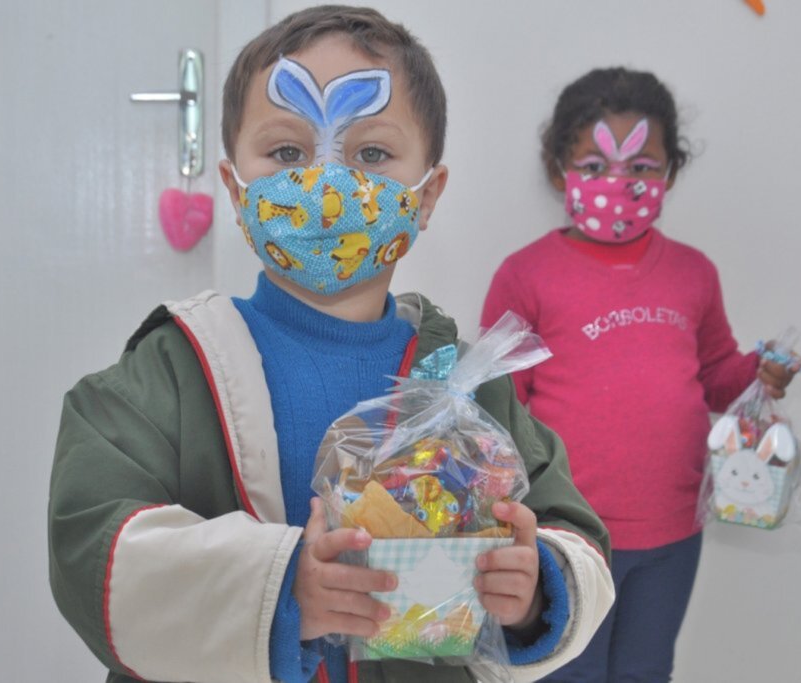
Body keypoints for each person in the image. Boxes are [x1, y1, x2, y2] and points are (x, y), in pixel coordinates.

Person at [49, 7, 613, 683]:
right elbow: (94, 542)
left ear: (426, 196)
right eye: (287, 152)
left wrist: (533, 590)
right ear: (235, 189)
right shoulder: (171, 369)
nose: (325, 185)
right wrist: (281, 590)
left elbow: (568, 528)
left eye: (371, 154)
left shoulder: (462, 380)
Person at [480, 66, 801, 683]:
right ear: (559, 172)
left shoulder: (694, 273)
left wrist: (759, 373)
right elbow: (500, 405)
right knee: (564, 672)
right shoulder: (526, 274)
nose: (618, 182)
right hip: (566, 532)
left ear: (670, 173)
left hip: (673, 531)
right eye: (595, 165)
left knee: (646, 670)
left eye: (641, 166)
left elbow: (715, 375)